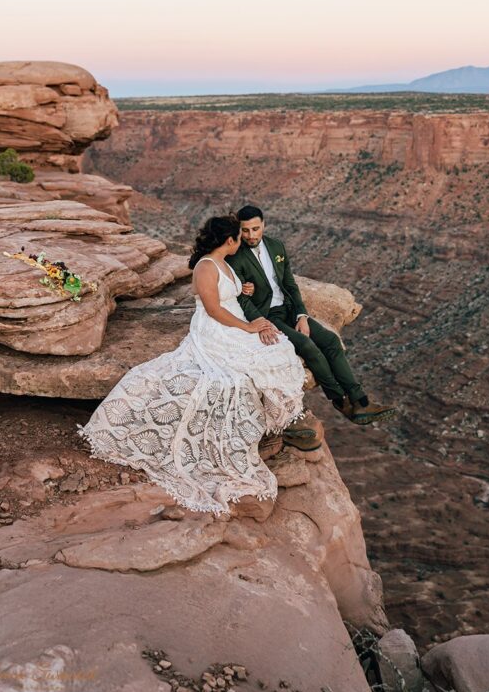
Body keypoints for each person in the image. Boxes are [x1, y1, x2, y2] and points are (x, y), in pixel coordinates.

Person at [77, 214, 309, 516]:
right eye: (239, 235)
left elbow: (231, 293)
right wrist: (247, 327)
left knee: (278, 348)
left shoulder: (225, 262)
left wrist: (245, 292)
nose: (242, 239)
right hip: (214, 329)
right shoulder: (205, 267)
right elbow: (213, 309)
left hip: (233, 320)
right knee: (229, 379)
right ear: (229, 240)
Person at [228, 204, 397, 425]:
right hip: (268, 314)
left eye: (255, 229)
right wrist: (260, 321)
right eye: (246, 230)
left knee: (330, 341)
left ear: (264, 225)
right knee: (308, 347)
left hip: (289, 309)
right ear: (239, 230)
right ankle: (341, 401)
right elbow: (240, 298)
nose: (251, 235)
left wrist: (302, 316)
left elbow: (290, 283)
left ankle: (361, 401)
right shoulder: (235, 256)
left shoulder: (276, 247)